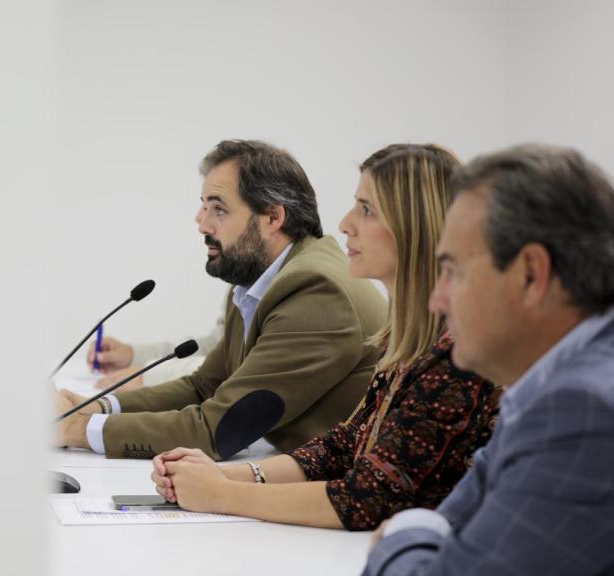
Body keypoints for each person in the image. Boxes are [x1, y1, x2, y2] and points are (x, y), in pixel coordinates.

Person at [150, 144, 500, 530]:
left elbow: (368, 498)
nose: (346, 223)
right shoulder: (406, 341)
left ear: (414, 225)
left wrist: (221, 495)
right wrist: (229, 476)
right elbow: (345, 446)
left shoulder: (458, 354)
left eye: (366, 210)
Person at [364, 144, 614, 575]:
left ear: (531, 274)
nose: (438, 299)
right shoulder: (545, 385)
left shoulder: (581, 408)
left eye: (454, 271)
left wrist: (399, 536)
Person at [56, 139, 387, 460]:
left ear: (273, 218)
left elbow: (218, 429)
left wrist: (77, 429)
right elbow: (204, 386)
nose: (201, 223)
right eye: (203, 206)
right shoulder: (256, 280)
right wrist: (99, 406)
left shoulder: (316, 291)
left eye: (218, 208)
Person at [85, 318, 223, 390]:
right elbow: (217, 345)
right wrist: (133, 356)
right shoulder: (236, 289)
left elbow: (235, 367)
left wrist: (151, 375)